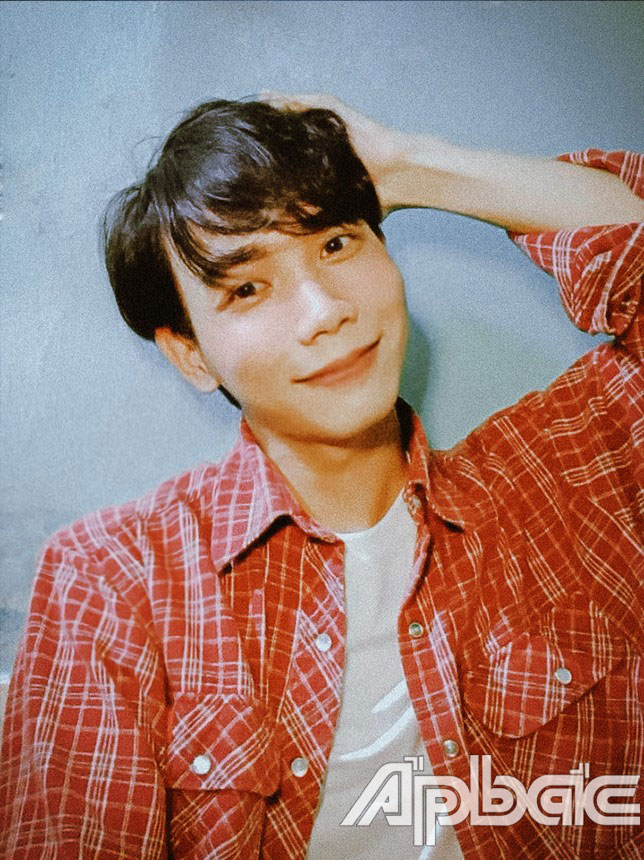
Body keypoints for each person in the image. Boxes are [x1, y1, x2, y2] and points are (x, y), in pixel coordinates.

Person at [0, 92, 642, 859]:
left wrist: (409, 167)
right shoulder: (113, 583)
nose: (323, 311)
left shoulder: (562, 475)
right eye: (247, 288)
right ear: (191, 354)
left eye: (336, 244)